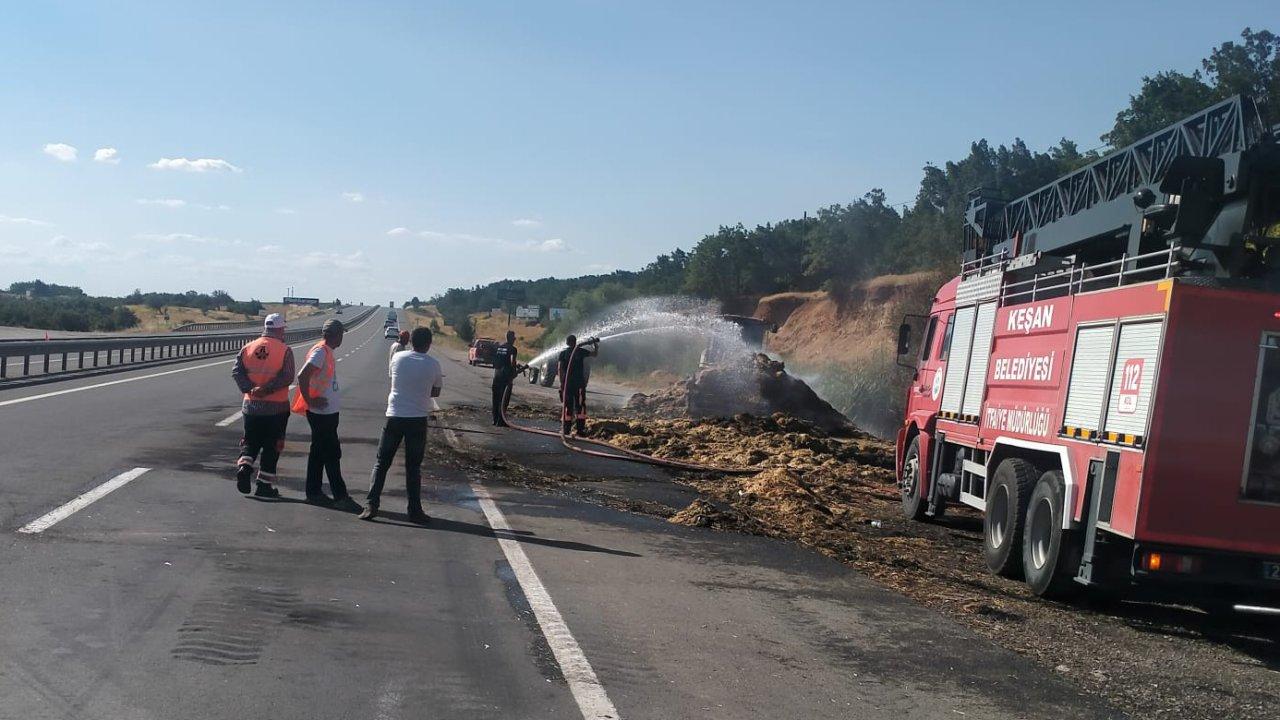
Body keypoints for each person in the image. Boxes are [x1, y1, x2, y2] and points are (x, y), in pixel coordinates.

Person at [361, 327, 443, 523]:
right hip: (417, 419)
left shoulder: (398, 358)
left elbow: (393, 378)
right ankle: (414, 511)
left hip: (395, 415)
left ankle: (371, 504)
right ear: (428, 344)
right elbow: (436, 392)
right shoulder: (433, 364)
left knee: (382, 463)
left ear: (411, 341)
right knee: (413, 467)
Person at [295, 319, 362, 512]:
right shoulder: (320, 352)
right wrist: (310, 400)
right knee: (332, 453)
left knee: (318, 453)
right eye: (341, 334)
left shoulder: (326, 351)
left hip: (327, 412)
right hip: (320, 413)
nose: (343, 337)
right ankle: (340, 495)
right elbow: (302, 375)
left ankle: (313, 492)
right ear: (334, 335)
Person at [231, 313, 295, 498]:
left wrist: (251, 389)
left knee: (250, 441)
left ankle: (244, 466)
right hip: (276, 408)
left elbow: (237, 372)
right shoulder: (284, 350)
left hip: (251, 406)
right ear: (280, 329)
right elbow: (287, 376)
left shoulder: (248, 348)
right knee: (272, 445)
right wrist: (266, 389)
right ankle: (264, 485)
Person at [556, 334, 598, 436]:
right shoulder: (580, 351)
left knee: (567, 406)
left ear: (567, 342)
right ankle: (580, 430)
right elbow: (594, 354)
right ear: (575, 342)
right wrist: (595, 347)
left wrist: (562, 383)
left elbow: (560, 369)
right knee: (580, 406)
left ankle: (566, 429)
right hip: (579, 384)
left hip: (568, 384)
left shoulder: (563, 354)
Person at [491, 330, 519, 427]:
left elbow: (497, 361)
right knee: (504, 399)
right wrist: (514, 372)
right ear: (511, 338)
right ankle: (501, 421)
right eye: (514, 337)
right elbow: (512, 361)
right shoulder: (513, 349)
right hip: (505, 378)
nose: (515, 339)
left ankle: (494, 420)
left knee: (496, 399)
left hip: (496, 376)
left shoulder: (500, 348)